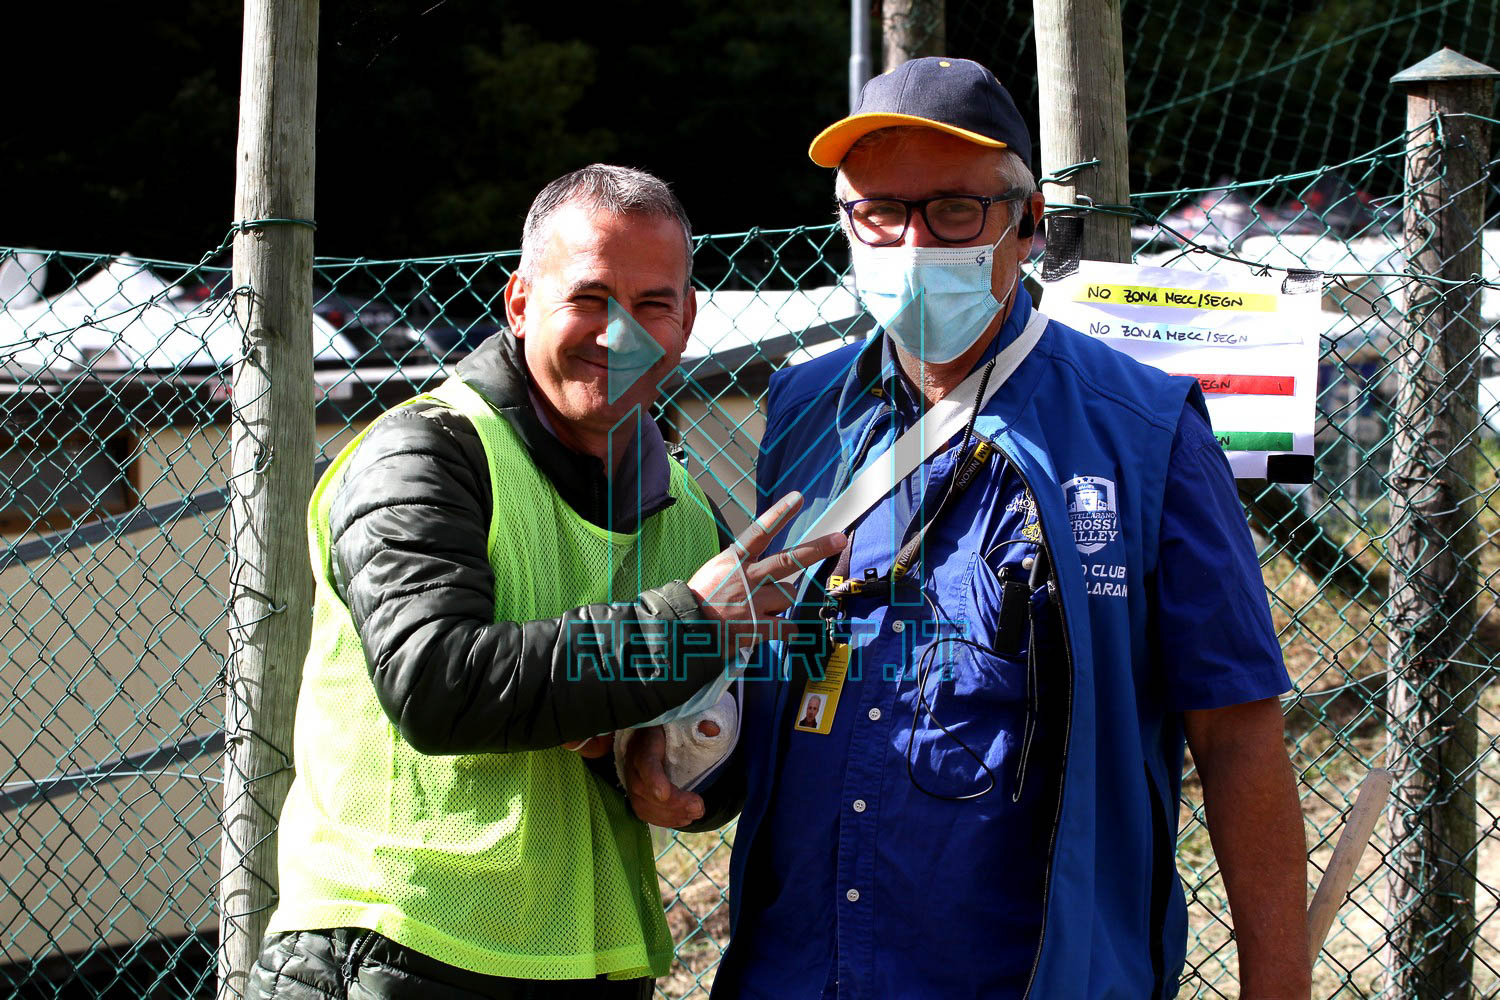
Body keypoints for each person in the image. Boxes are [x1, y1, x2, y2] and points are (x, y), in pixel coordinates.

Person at [624, 60, 1311, 998]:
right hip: (801, 969)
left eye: (954, 211)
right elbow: (791, 675)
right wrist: (688, 750)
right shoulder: (803, 408)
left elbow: (1236, 733)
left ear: (1028, 224)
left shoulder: (1142, 432)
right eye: (880, 212)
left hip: (1025, 972)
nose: (912, 244)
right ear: (845, 221)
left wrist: (1278, 985)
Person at [246, 164, 844, 1000]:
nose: (620, 333)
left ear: (687, 321)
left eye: (653, 305)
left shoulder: (686, 513)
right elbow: (437, 682)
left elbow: (734, 727)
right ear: (520, 303)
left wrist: (682, 774)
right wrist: (686, 630)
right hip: (396, 950)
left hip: (592, 961)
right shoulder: (421, 455)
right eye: (590, 298)